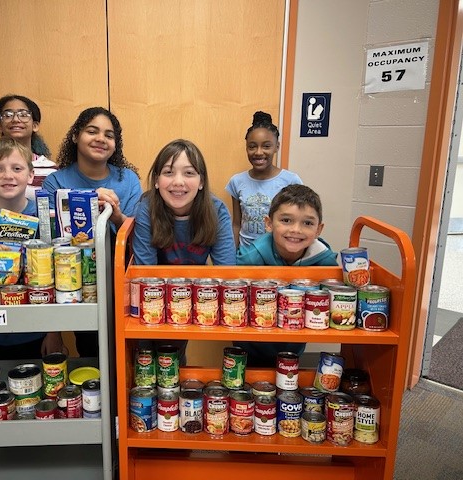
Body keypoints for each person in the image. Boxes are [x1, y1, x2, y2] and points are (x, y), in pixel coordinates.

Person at [43, 107, 142, 357]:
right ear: (75, 136)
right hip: (77, 282)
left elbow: (137, 234)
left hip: (119, 280)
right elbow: (51, 240)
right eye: (92, 131)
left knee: (126, 352)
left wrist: (116, 215)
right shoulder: (55, 181)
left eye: (109, 135)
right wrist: (87, 201)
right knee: (90, 351)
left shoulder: (128, 179)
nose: (101, 139)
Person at [132, 139, 236, 365]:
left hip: (191, 299)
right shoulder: (147, 208)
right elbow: (145, 275)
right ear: (156, 180)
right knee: (144, 354)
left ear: (201, 182)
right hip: (150, 299)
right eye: (168, 172)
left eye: (189, 173)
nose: (178, 182)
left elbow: (226, 272)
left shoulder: (216, 210)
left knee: (173, 356)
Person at [0, 137, 67, 366]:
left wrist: (54, 331)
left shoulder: (45, 220)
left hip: (38, 331)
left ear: (31, 175)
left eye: (17, 168)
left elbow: (58, 277)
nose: (8, 175)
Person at [235, 184, 338, 367]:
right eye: (286, 220)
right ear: (268, 223)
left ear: (318, 229)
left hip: (294, 344)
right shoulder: (250, 258)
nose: (296, 230)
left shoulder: (325, 262)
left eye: (307, 223)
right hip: (249, 344)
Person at [225, 111, 302, 248]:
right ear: (246, 147)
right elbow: (236, 224)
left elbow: (296, 222)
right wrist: (233, 256)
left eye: (266, 146)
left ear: (276, 147)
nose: (259, 152)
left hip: (278, 254)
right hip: (246, 255)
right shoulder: (237, 181)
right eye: (252, 146)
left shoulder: (291, 181)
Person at [0, 94, 57, 207]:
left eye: (24, 115)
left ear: (35, 125)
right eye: (8, 115)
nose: (15, 119)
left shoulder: (51, 170)